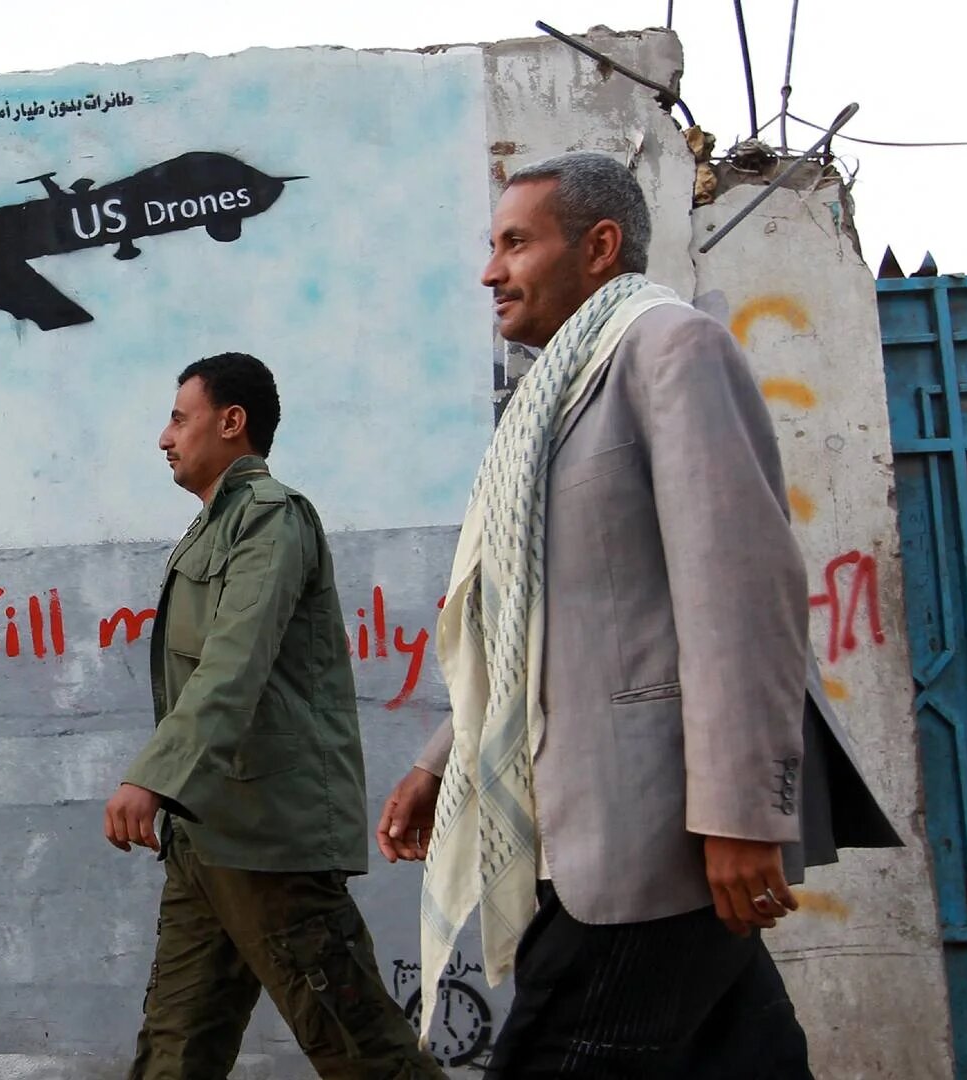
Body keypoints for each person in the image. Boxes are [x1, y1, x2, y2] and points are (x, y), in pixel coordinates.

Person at [375, 151, 900, 1078]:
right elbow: (536, 629)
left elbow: (741, 596)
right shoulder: (554, 396)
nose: (490, 271)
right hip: (596, 828)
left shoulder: (671, 350)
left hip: (649, 837)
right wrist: (439, 761)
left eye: (515, 243)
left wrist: (741, 816)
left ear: (599, 246)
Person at [108, 352, 444, 1080]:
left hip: (269, 844)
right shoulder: (213, 527)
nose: (164, 437)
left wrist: (155, 776)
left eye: (179, 419)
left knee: (364, 1055)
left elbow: (234, 662)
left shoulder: (269, 519)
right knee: (174, 1056)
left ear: (232, 422)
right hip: (207, 837)